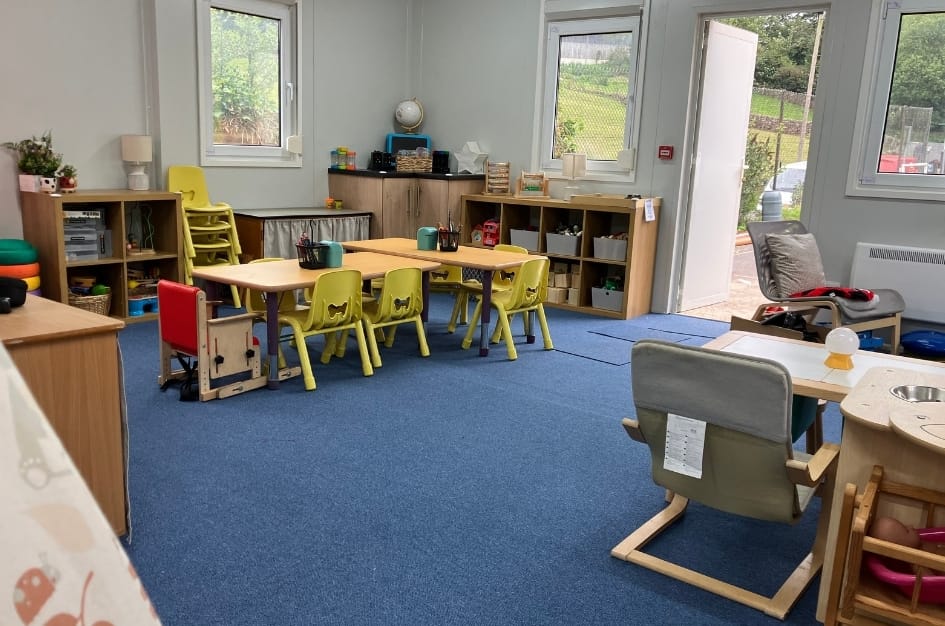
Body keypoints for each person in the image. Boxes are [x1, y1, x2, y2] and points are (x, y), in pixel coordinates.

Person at [869, 516, 945, 575]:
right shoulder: (917, 564)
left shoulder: (919, 545)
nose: (911, 526)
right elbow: (932, 582)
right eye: (907, 530)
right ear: (900, 549)